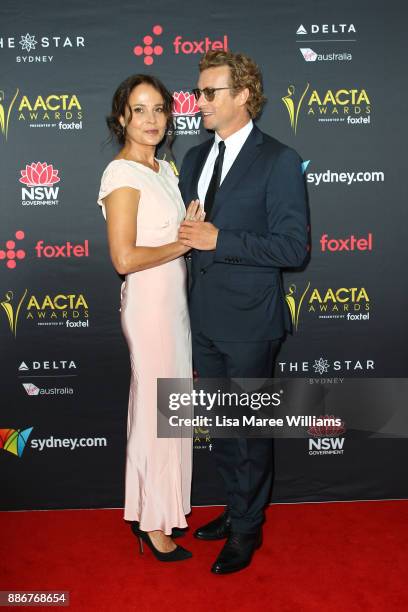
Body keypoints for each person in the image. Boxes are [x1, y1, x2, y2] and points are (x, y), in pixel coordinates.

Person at [178, 50, 308, 574]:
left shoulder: (277, 159)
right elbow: (190, 236)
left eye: (210, 92)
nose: (199, 102)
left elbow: (293, 249)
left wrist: (218, 239)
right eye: (198, 91)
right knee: (223, 428)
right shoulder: (192, 158)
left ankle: (248, 530)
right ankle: (236, 511)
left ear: (243, 96)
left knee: (249, 432)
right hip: (203, 317)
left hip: (252, 322)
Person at [97, 74, 202, 562]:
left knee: (171, 409)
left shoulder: (165, 169)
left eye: (159, 108)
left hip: (174, 304)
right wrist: (184, 242)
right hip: (149, 305)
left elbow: (170, 234)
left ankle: (163, 509)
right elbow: (124, 257)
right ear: (122, 118)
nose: (152, 119)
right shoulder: (121, 175)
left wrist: (189, 225)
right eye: (140, 110)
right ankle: (152, 521)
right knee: (157, 413)